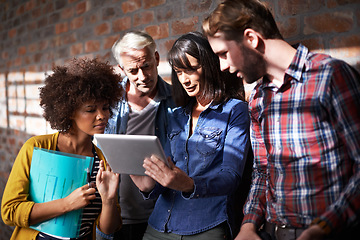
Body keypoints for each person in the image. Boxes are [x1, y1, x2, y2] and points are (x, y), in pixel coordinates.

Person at [202, 0, 360, 240]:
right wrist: (248, 225)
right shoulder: (257, 98)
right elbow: (263, 171)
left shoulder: (330, 76)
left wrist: (323, 228)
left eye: (224, 53)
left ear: (251, 39)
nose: (222, 66)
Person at [130, 31, 251, 239]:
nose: (184, 80)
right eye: (178, 72)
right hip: (159, 223)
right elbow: (168, 170)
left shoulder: (234, 110)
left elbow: (232, 177)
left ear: (210, 66)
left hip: (206, 223)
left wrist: (189, 185)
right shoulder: (176, 115)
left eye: (191, 70)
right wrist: (148, 185)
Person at [1, 58, 123, 240]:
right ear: (69, 111)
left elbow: (107, 229)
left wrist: (109, 200)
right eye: (90, 110)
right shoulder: (36, 148)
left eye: (105, 108)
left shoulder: (103, 160)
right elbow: (10, 212)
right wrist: (66, 204)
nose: (102, 116)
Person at [98, 31, 175, 240]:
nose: (142, 76)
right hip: (113, 214)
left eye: (147, 66)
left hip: (160, 216)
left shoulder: (177, 101)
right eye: (133, 70)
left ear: (157, 59)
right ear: (122, 69)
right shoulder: (108, 102)